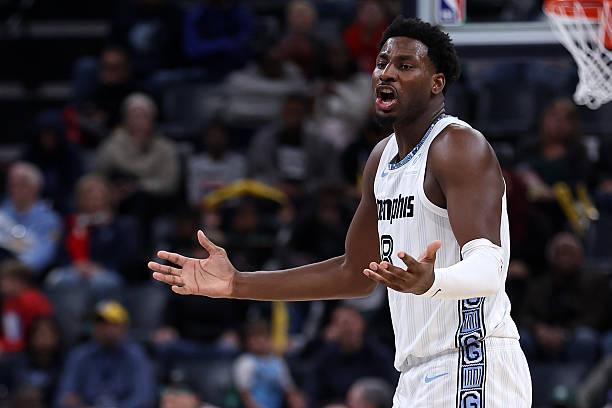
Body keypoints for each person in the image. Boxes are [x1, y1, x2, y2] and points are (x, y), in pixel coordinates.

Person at [150, 16, 532, 407]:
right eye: (382, 63)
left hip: (472, 359)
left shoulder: (459, 146)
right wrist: (238, 284)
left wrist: (432, 281)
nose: (387, 73)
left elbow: (490, 267)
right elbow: (354, 273)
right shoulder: (381, 159)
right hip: (416, 374)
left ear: (437, 83)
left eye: (405, 65)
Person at [55, 300, 155, 408]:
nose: (106, 329)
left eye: (112, 323)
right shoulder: (79, 355)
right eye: (101, 323)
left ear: (124, 327)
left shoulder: (136, 356)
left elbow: (143, 399)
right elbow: (64, 397)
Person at [0, 162, 62, 276]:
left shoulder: (49, 219)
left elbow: (45, 251)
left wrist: (17, 269)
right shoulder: (2, 213)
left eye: (22, 184)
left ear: (35, 188)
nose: (15, 189)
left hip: (27, 274)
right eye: (12, 184)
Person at [233, 320, 304, 408]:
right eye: (256, 339)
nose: (261, 341)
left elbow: (289, 390)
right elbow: (244, 395)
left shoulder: (278, 362)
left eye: (264, 337)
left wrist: (298, 403)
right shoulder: (245, 362)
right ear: (248, 342)